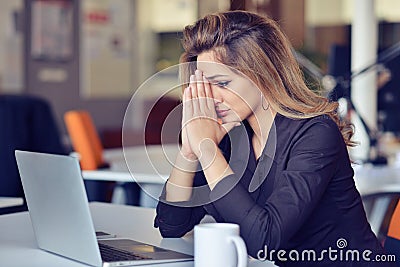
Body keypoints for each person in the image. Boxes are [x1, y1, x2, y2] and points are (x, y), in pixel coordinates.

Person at [154, 11, 393, 266]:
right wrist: (190, 152)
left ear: (263, 74)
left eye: (222, 83)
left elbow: (264, 240)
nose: (211, 98)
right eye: (205, 86)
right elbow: (171, 225)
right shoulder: (229, 135)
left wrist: (207, 149)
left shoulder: (315, 133)